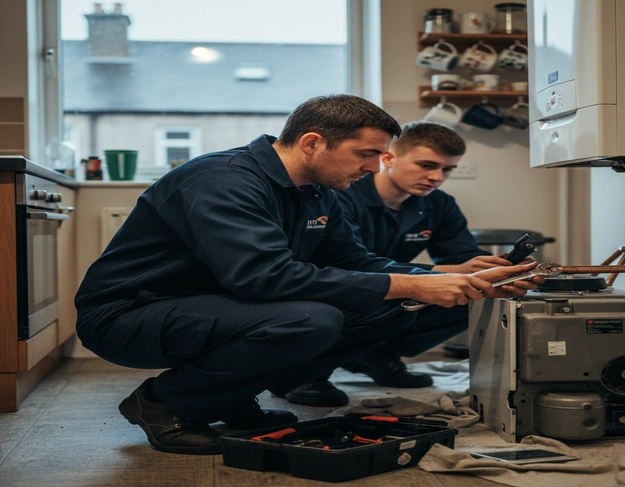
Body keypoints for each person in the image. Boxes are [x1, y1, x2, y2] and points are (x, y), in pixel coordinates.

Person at [74, 94, 542, 455]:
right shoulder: (224, 180)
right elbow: (264, 278)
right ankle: (162, 403)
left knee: (397, 305)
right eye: (366, 154)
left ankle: (226, 398)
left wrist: (440, 279)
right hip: (130, 313)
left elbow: (357, 263)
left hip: (217, 308)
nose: (373, 166)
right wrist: (413, 280)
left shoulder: (319, 193)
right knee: (309, 319)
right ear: (313, 142)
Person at [327, 121, 519, 392]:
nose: (438, 177)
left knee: (479, 291)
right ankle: (309, 371)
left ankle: (373, 355)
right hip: (343, 289)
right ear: (388, 158)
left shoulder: (438, 203)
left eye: (447, 169)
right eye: (427, 165)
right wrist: (444, 272)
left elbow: (464, 254)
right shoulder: (341, 195)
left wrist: (497, 271)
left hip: (394, 292)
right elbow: (350, 264)